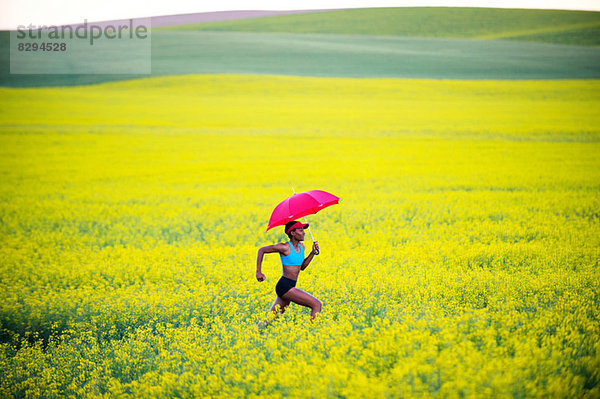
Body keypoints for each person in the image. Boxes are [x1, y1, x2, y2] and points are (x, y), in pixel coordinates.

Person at [256, 220, 321, 325]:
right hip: (285, 286)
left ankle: (257, 330)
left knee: (269, 320)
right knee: (316, 304)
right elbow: (261, 250)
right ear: (292, 233)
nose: (304, 232)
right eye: (300, 230)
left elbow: (302, 267)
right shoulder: (285, 247)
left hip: (290, 285)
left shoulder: (302, 247)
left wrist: (312, 253)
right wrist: (258, 272)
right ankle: (315, 333)